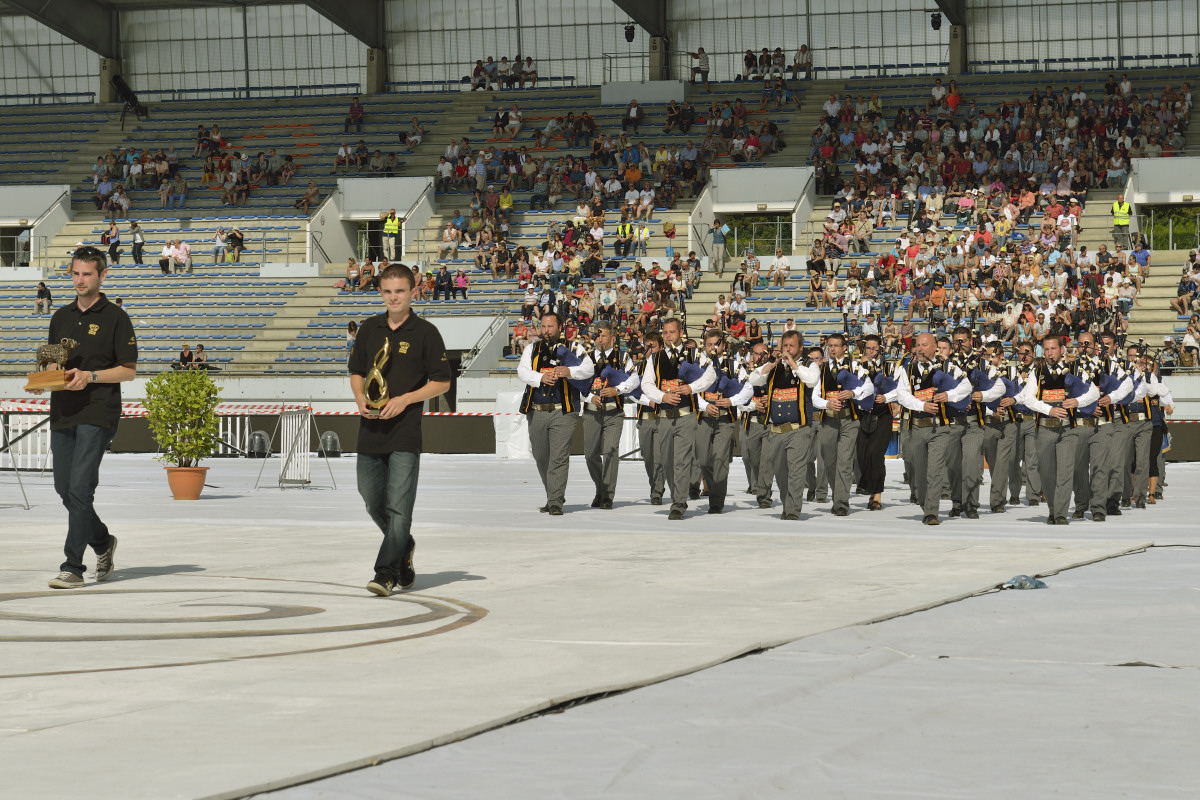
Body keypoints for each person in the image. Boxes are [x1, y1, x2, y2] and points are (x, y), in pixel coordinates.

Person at [33, 247, 137, 589]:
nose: (80, 280)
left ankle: (72, 567)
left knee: (80, 488)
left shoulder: (116, 318)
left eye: (87, 274)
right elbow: (50, 362)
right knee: (65, 490)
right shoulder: (59, 316)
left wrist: (90, 376)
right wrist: (42, 379)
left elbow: (128, 371)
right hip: (63, 411)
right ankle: (103, 542)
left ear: (102, 276)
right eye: (76, 273)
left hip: (98, 410)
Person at [349, 263, 452, 597]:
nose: (394, 297)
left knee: (399, 507)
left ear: (413, 291)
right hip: (370, 430)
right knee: (370, 500)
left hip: (405, 432)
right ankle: (403, 546)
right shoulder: (368, 329)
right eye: (388, 291)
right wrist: (360, 396)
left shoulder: (426, 333)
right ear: (380, 292)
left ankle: (386, 572)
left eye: (400, 291)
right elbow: (356, 371)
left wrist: (406, 399)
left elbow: (442, 382)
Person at [517, 311, 595, 515]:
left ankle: (555, 501)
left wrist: (570, 371)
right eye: (543, 326)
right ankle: (553, 492)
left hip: (564, 411)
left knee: (559, 457)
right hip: (536, 410)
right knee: (541, 455)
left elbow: (588, 369)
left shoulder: (574, 348)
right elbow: (522, 371)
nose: (546, 330)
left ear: (560, 327)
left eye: (550, 326)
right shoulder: (532, 348)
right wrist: (540, 377)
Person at [640, 317, 716, 520]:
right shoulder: (654, 358)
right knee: (666, 461)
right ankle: (677, 496)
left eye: (671, 332)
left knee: (681, 460)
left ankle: (679, 503)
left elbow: (710, 376)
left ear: (680, 333)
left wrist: (691, 388)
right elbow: (646, 384)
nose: (667, 336)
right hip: (664, 416)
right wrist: (662, 396)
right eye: (665, 333)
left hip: (685, 416)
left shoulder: (694, 354)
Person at [894, 333, 971, 525]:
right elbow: (902, 396)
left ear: (934, 346)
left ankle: (931, 512)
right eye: (917, 345)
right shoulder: (907, 369)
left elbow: (966, 386)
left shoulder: (948, 367)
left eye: (924, 345)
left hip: (940, 429)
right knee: (917, 472)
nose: (920, 348)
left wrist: (949, 395)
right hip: (916, 429)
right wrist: (922, 406)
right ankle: (924, 502)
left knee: (934, 471)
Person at [746, 330, 821, 520]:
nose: (787, 350)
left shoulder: (809, 366)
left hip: (798, 429)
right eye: (784, 346)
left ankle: (793, 509)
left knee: (796, 471)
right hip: (775, 430)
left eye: (791, 346)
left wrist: (793, 364)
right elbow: (754, 379)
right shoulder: (774, 367)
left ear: (800, 348)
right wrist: (771, 364)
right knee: (780, 473)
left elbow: (811, 381)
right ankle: (787, 503)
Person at [582, 321, 640, 509]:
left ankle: (607, 494)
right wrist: (591, 397)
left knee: (610, 451)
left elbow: (634, 378)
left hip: (613, 412)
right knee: (590, 454)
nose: (600, 339)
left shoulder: (623, 357)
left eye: (604, 335)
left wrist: (618, 389)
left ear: (612, 338)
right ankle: (600, 487)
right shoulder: (585, 357)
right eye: (597, 335)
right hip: (592, 412)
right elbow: (576, 383)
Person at [815, 333, 873, 516]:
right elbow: (814, 396)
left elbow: (869, 386)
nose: (832, 349)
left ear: (844, 348)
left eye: (836, 346)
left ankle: (841, 502)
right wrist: (826, 404)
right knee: (829, 461)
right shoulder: (821, 369)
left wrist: (853, 394)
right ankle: (837, 495)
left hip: (849, 419)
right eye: (830, 345)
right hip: (828, 419)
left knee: (845, 461)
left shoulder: (855, 366)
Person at [696, 329, 753, 513]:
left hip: (725, 419)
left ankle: (717, 500)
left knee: (720, 458)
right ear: (705, 346)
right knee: (703, 460)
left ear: (723, 345)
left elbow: (748, 388)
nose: (713, 347)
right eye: (709, 344)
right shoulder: (698, 365)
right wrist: (704, 406)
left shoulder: (734, 364)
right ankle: (713, 489)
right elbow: (690, 389)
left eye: (716, 344)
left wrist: (731, 401)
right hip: (704, 417)